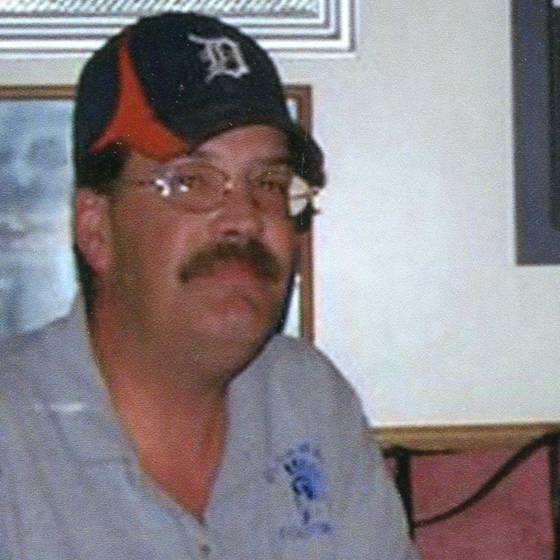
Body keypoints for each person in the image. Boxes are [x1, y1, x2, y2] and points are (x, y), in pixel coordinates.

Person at [0, 12, 419, 560]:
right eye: (191, 181)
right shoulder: (15, 439)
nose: (245, 218)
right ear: (97, 228)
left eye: (269, 182)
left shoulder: (305, 401)